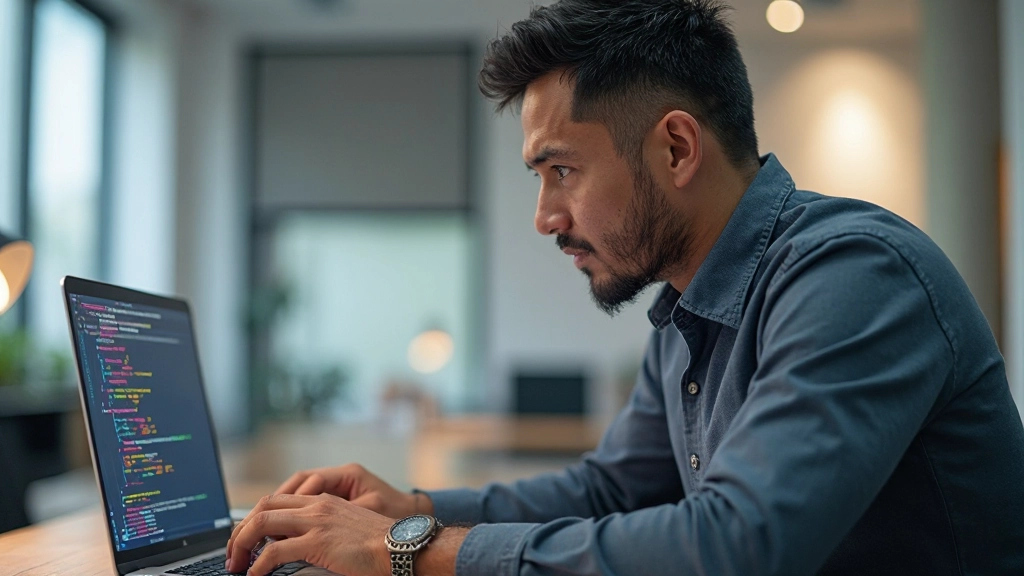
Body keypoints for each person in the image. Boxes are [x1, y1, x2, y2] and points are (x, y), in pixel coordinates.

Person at [225, 1, 1024, 574]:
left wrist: (405, 554)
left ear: (676, 148)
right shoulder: (688, 309)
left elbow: (738, 546)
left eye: (562, 171)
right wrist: (415, 510)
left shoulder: (856, 276)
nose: (545, 217)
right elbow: (611, 489)